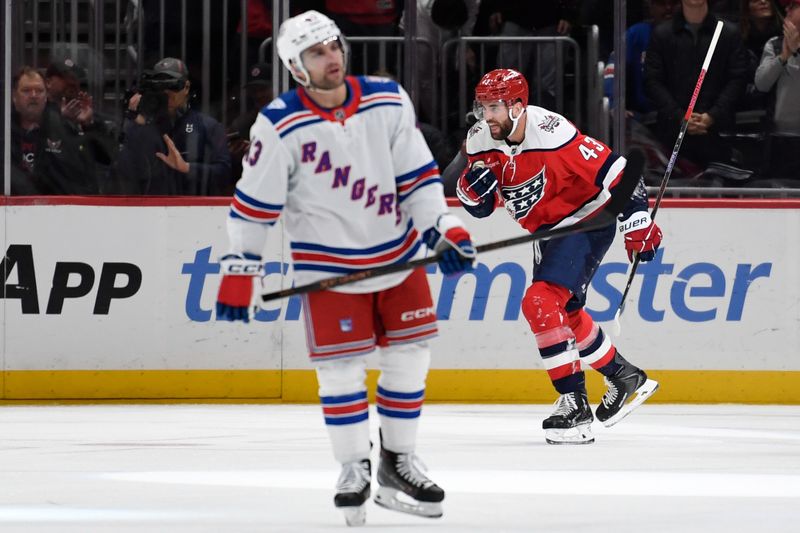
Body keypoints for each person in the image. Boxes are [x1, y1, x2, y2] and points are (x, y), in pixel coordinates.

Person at [214, 10, 475, 526]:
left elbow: (419, 178)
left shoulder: (386, 98)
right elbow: (253, 206)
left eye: (333, 46)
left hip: (399, 258)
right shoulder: (279, 123)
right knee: (340, 371)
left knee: (410, 355)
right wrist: (241, 269)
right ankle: (353, 466)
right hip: (329, 269)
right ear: (296, 67)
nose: (331, 57)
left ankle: (398, 461)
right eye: (316, 53)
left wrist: (444, 230)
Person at [456, 69, 661, 445]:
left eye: (496, 107)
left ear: (518, 106)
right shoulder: (480, 140)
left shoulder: (552, 133)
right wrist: (470, 194)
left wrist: (637, 220)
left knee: (538, 301)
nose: (488, 116)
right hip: (546, 231)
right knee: (563, 312)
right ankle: (623, 376)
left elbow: (618, 171)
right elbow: (482, 206)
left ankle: (574, 402)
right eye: (483, 107)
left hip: (586, 219)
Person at [644, 0, 749, 170]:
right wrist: (680, 115)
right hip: (672, 133)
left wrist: (713, 115)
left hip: (718, 134)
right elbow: (652, 81)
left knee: (718, 192)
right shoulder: (662, 34)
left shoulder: (728, 33)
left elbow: (738, 79)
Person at [116, 57, 231, 195]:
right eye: (160, 86)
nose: (167, 92)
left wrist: (187, 167)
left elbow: (225, 173)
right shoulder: (142, 126)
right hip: (150, 209)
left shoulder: (208, 126)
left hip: (195, 209)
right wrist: (131, 122)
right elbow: (122, 172)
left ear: (186, 87)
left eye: (173, 85)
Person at [10, 66, 103, 195]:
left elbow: (85, 178)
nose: (33, 95)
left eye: (39, 90)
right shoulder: (4, 131)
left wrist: (87, 125)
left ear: (46, 96)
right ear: (14, 96)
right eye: (26, 90)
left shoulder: (62, 128)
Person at [754, 0, 800, 178]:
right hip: (778, 138)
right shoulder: (774, 44)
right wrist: (784, 56)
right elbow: (761, 83)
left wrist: (797, 52)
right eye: (787, 7)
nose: (787, 10)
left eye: (794, 6)